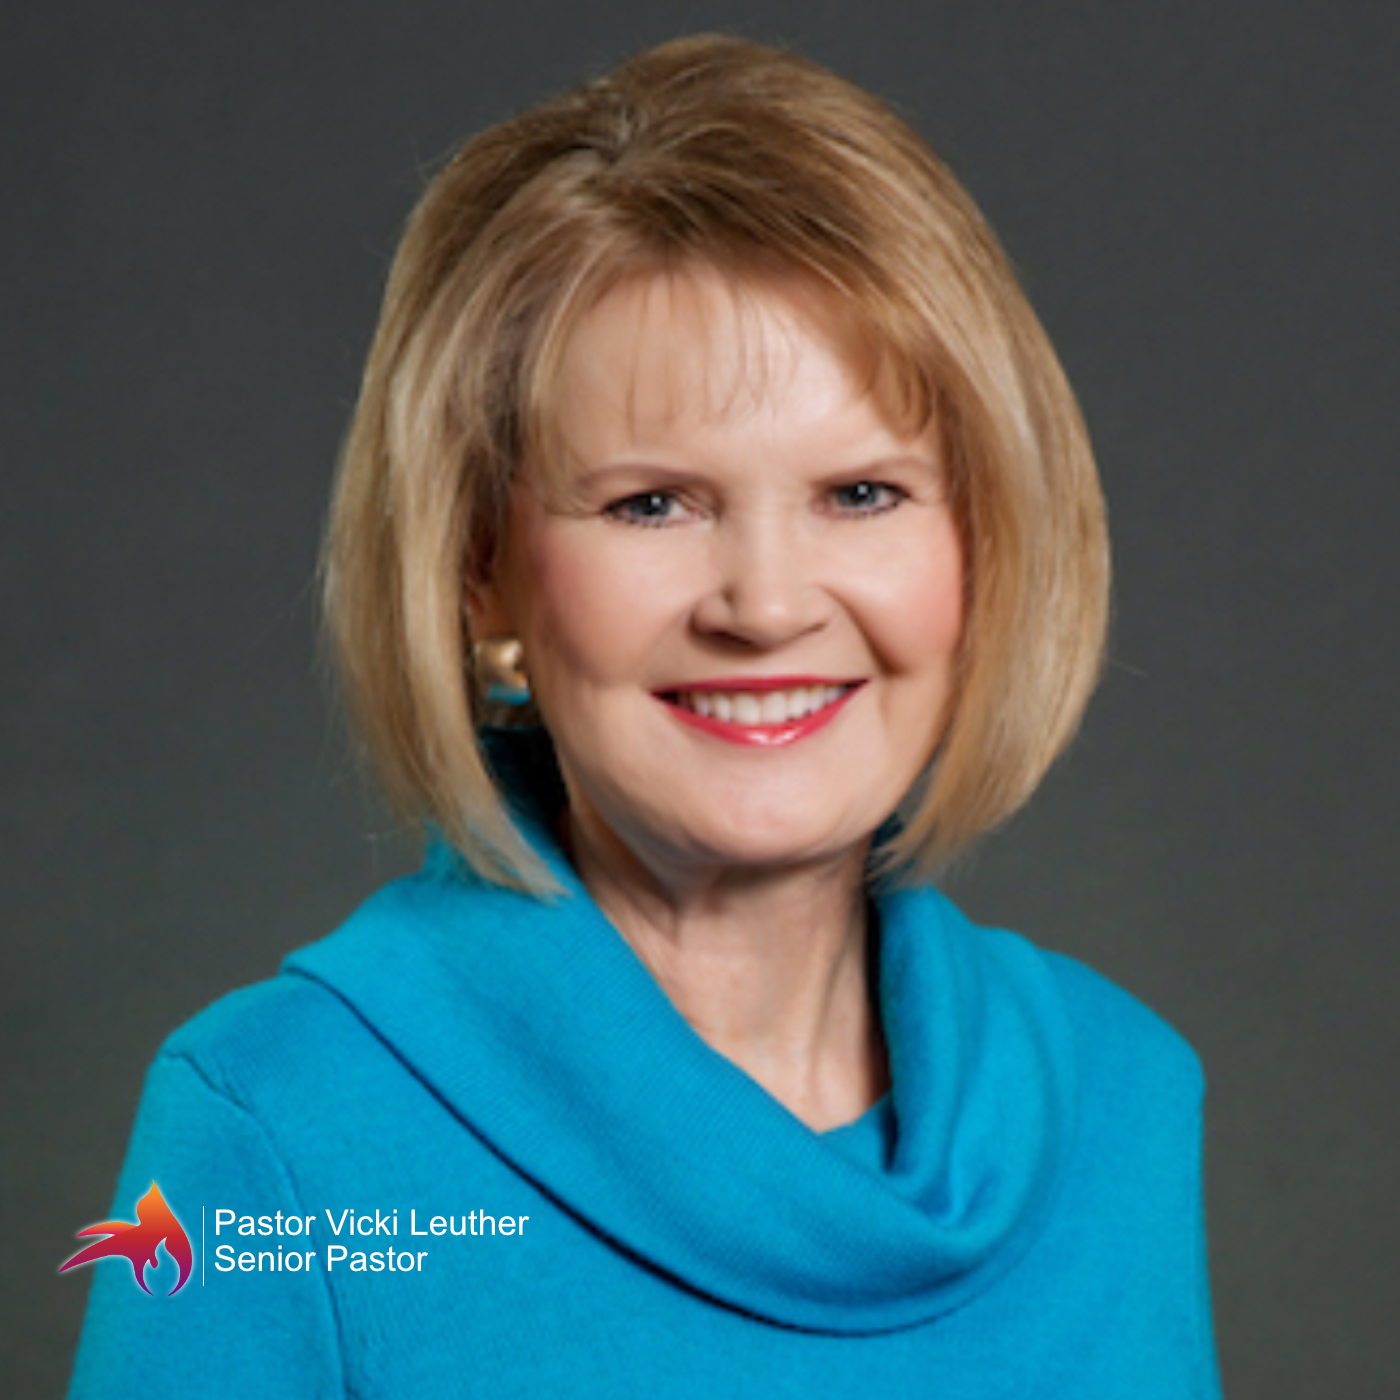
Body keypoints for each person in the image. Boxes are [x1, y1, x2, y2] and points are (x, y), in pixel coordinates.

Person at [68, 34, 1222, 1397]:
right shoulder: (271, 1138)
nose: (766, 604)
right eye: (652, 503)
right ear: (480, 575)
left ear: (985, 547)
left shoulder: (1123, 1100)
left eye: (862, 493)